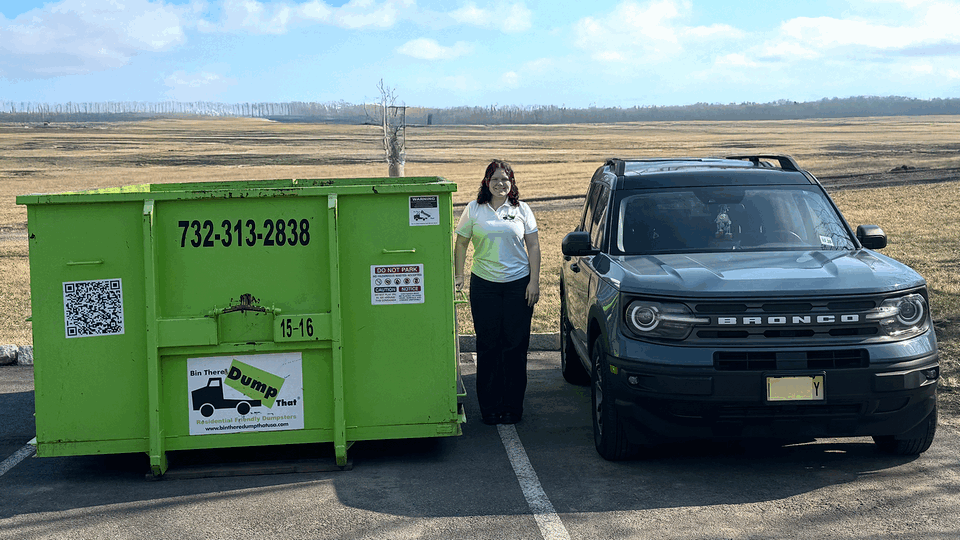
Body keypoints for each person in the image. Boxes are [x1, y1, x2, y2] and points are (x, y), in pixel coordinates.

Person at [454, 159, 541, 425]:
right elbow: (461, 245)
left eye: (506, 179)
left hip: (518, 285)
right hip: (485, 286)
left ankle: (512, 407)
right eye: (495, 179)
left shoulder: (522, 209)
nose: (501, 184)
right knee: (488, 346)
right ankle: (490, 408)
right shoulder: (474, 209)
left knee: (515, 346)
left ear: (512, 183)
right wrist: (459, 275)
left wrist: (534, 282)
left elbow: (534, 247)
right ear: (486, 182)